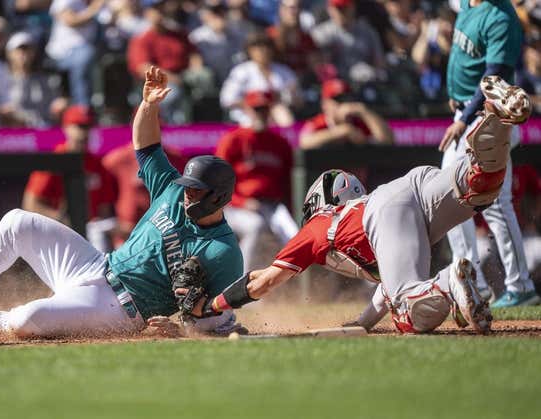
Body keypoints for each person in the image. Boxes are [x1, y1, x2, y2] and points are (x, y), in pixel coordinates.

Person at [0, 66, 244, 339]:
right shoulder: (172, 191)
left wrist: (177, 330)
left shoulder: (224, 252)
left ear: (218, 196)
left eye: (197, 190)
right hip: (98, 265)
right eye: (188, 186)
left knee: (27, 319)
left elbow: (213, 318)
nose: (188, 193)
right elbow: (146, 145)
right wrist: (148, 106)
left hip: (123, 309)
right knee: (17, 221)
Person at [190, 77, 531, 335]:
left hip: (389, 209)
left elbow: (263, 282)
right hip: (415, 185)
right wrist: (360, 324)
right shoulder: (363, 218)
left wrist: (214, 304)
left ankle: (447, 283)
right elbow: (383, 295)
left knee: (410, 315)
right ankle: (494, 118)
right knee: (481, 186)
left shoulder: (321, 224)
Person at [438, 0, 540, 307]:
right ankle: (473, 284)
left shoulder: (501, 16)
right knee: (449, 198)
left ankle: (519, 286)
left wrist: (462, 117)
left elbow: (494, 77)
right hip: (465, 114)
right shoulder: (468, 4)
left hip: (485, 118)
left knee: (496, 204)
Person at [216, 90, 298, 271]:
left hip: (272, 207)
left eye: (264, 109)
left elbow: (288, 185)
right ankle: (241, 285)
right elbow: (218, 183)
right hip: (235, 207)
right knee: (255, 226)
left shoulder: (280, 143)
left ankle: (300, 288)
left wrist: (292, 210)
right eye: (256, 109)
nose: (260, 113)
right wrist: (242, 201)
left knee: (296, 237)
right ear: (246, 110)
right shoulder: (233, 140)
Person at [22, 105, 117, 252]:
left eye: (87, 127)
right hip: (56, 234)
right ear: (66, 128)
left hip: (90, 236)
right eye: (79, 126)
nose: (84, 133)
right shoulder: (55, 161)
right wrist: (64, 220)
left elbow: (104, 210)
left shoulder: (97, 164)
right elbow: (30, 204)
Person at [220, 31, 300, 127]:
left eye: (266, 47)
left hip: (278, 114)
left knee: (280, 111)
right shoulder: (241, 71)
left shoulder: (284, 72)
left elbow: (298, 101)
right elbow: (226, 100)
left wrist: (285, 97)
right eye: (257, 49)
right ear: (249, 51)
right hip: (248, 116)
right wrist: (254, 101)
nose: (263, 52)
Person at [299, 78, 394, 149]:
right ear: (325, 104)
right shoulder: (319, 122)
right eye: (337, 100)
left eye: (346, 99)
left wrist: (364, 111)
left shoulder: (359, 122)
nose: (343, 104)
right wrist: (342, 131)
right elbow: (304, 142)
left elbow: (387, 141)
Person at [45, 0, 105, 105]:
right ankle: (82, 106)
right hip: (63, 51)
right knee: (84, 55)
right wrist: (95, 8)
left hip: (92, 46)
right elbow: (70, 20)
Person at [6, 31, 67, 127]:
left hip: (43, 129)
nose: (23, 54)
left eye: (27, 50)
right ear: (10, 53)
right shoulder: (2, 79)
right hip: (14, 132)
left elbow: (55, 105)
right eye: (19, 50)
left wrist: (60, 105)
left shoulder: (46, 80)